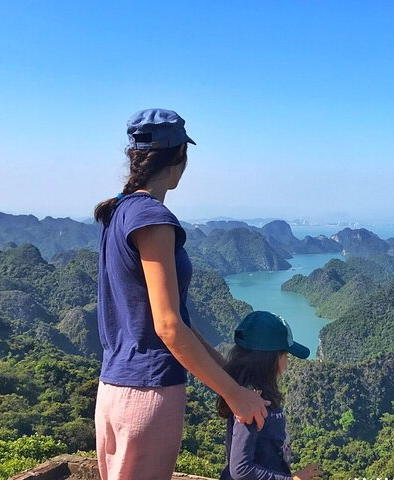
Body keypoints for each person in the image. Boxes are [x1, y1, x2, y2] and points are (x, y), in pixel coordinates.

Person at [93, 108, 270, 480]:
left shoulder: (118, 212)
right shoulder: (151, 218)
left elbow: (178, 321)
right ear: (180, 158)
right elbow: (169, 326)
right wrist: (236, 395)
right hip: (149, 393)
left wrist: (229, 379)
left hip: (113, 391)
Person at [217, 311, 323, 480]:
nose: (288, 363)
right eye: (285, 355)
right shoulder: (251, 401)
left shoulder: (255, 394)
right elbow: (240, 469)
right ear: (272, 359)